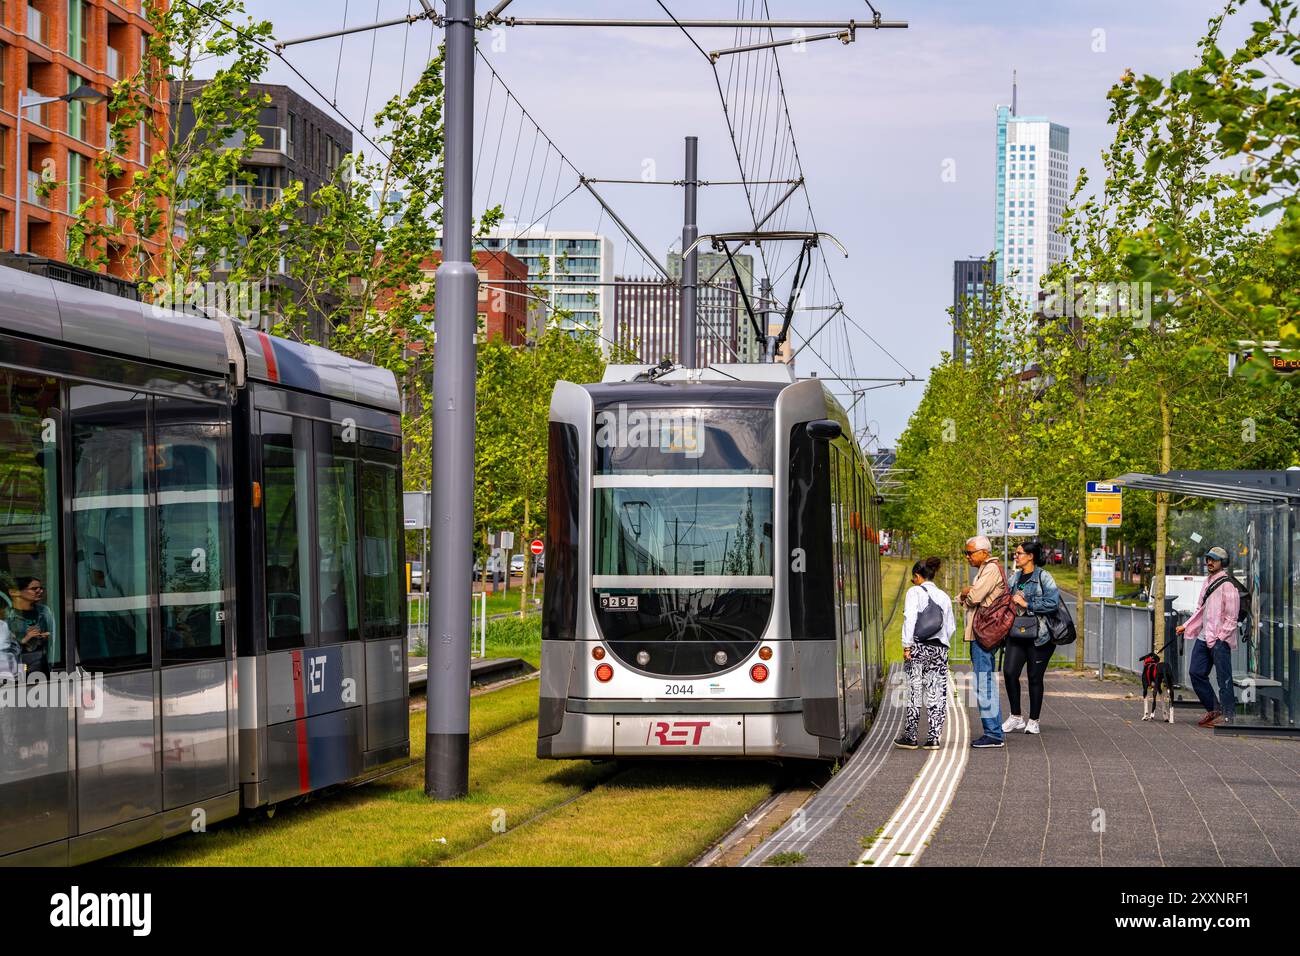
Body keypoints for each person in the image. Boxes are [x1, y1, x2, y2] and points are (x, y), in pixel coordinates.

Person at [895, 557, 956, 750]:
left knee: (914, 691)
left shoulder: (914, 592)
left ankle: (911, 737)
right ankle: (933, 738)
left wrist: (907, 645)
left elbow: (910, 618)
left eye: (913, 578)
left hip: (918, 647)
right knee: (936, 692)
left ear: (917, 576)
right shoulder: (944, 596)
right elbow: (951, 627)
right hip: (939, 648)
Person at [1176, 546, 1240, 727]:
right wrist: (1186, 626)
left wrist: (1222, 637)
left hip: (1220, 640)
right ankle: (1214, 710)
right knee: (1196, 673)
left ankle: (1229, 717)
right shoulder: (1207, 582)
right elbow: (1200, 611)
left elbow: (1232, 616)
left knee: (1223, 679)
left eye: (1214, 560)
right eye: (1208, 559)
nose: (1210, 562)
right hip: (1204, 637)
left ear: (1222, 563)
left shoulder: (1227, 584)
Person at [1001, 540, 1059, 735]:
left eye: (1019, 553)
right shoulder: (1015, 578)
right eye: (1016, 553)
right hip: (1016, 633)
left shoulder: (1044, 577)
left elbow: (1052, 603)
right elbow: (1005, 599)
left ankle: (1034, 720)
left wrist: (1028, 604)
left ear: (1030, 556)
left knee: (1035, 677)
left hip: (1039, 637)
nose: (1016, 556)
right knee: (1009, 672)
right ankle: (1016, 716)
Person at [959, 535, 1006, 748]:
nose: (967, 556)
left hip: (983, 634)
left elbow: (974, 597)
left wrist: (966, 592)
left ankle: (994, 733)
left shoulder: (991, 569)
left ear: (984, 552)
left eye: (970, 553)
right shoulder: (986, 569)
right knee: (984, 681)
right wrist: (967, 593)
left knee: (983, 682)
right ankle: (994, 730)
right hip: (982, 633)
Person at [5, 576, 55, 677]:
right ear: (14, 592)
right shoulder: (7, 615)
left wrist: (44, 637)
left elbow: (54, 640)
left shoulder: (44, 611)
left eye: (41, 588)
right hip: (17, 666)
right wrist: (25, 639)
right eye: (34, 588)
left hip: (41, 664)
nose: (39, 591)